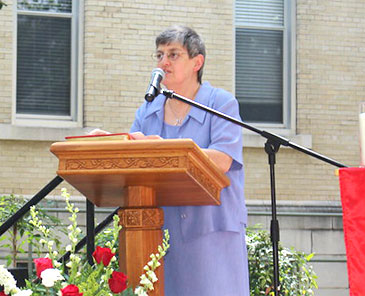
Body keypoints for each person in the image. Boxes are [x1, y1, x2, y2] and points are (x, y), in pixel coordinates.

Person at [93, 25, 249, 295]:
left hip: (211, 230)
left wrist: (164, 150)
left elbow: (223, 160)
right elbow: (131, 160)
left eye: (173, 55)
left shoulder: (221, 103)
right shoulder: (148, 111)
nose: (163, 62)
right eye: (159, 55)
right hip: (157, 231)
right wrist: (110, 142)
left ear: (196, 62)